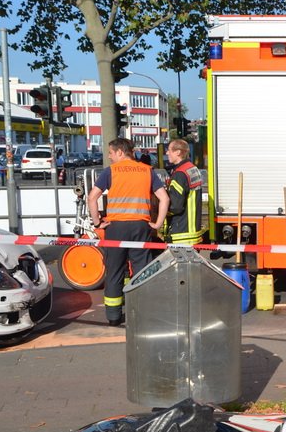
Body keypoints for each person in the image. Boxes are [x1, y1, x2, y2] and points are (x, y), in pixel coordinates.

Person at [87, 137, 170, 326]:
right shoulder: (147, 171)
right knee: (142, 269)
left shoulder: (111, 172)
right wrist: (157, 224)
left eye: (110, 153)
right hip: (141, 227)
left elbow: (92, 198)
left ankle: (114, 317)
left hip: (116, 228)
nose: (109, 157)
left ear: (119, 152)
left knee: (115, 271)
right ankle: (142, 314)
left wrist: (97, 222)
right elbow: (164, 199)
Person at [163, 139, 204, 245]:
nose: (167, 153)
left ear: (178, 152)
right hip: (193, 230)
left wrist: (161, 210)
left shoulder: (179, 174)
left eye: (169, 150)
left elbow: (176, 206)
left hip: (181, 232)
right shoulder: (192, 169)